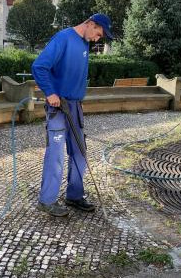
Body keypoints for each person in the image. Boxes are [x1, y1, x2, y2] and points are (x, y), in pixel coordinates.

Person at [31, 13, 113, 217]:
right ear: (90, 24)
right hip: (58, 107)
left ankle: (74, 196)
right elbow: (39, 66)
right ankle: (47, 200)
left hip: (75, 107)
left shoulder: (84, 43)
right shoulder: (63, 38)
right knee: (56, 154)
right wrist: (50, 93)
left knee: (79, 152)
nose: (97, 39)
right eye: (97, 33)